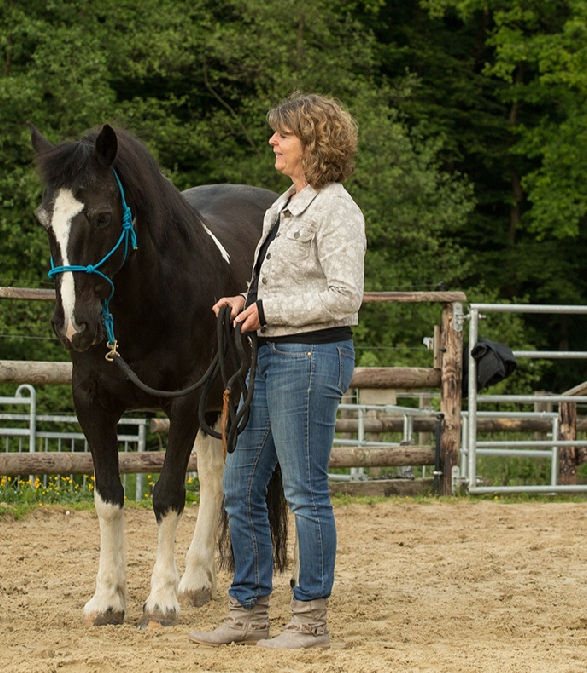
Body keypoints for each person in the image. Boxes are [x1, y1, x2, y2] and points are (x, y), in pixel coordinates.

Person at [188, 92, 365, 650]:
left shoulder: (336, 209)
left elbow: (345, 296)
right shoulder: (283, 206)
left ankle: (310, 617)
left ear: (313, 143)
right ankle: (249, 610)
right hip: (269, 356)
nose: (273, 141)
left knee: (306, 491)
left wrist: (270, 311)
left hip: (312, 357)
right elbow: (273, 280)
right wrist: (241, 302)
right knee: (240, 485)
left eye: (282, 134)